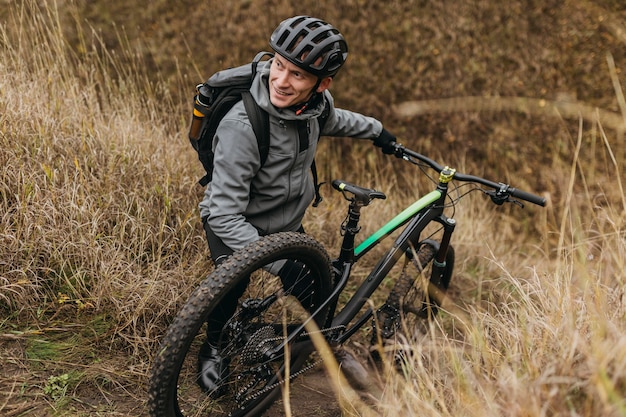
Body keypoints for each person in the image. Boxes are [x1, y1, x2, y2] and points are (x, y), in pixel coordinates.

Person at [196, 15, 397, 392]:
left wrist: (378, 131)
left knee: (314, 289)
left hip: (287, 221)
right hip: (235, 222)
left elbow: (334, 120)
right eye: (278, 65)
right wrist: (279, 262)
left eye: (297, 76)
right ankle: (213, 349)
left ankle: (320, 344)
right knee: (229, 289)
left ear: (322, 85)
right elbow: (222, 212)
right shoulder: (243, 126)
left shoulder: (315, 106)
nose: (281, 80)